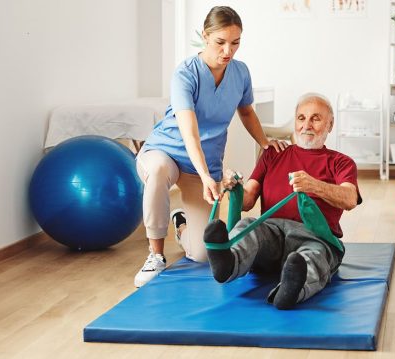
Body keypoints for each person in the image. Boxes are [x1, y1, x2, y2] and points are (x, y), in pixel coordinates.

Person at [134, 6, 287, 288]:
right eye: (220, 42)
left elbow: (246, 112)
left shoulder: (240, 73)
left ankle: (180, 225)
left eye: (235, 42)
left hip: (203, 164)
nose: (228, 51)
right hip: (166, 151)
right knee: (157, 170)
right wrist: (206, 177)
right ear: (205, 36)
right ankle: (155, 256)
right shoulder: (186, 74)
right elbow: (189, 132)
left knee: (203, 255)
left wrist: (265, 143)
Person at [203, 93, 362, 309]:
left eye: (315, 118)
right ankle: (227, 264)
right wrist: (233, 186)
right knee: (247, 227)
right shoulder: (273, 154)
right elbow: (247, 200)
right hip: (271, 234)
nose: (307, 125)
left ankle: (290, 290)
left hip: (315, 237)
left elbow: (350, 198)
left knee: (315, 256)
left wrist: (314, 185)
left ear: (330, 124)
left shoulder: (341, 162)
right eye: (301, 118)